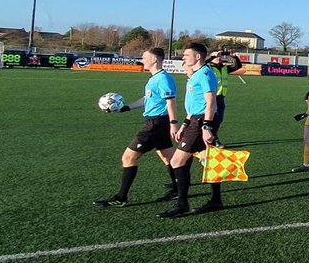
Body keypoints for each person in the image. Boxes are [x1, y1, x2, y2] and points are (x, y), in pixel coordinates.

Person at [93, 47, 181, 208]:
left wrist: (174, 123)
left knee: (128, 157)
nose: (142, 60)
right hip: (157, 122)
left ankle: (121, 197)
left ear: (154, 59)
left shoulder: (162, 79)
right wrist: (125, 108)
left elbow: (171, 102)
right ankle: (178, 190)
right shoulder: (155, 78)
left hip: (155, 124)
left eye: (145, 57)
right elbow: (146, 99)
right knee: (169, 158)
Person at [157, 43, 223, 218]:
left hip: (201, 122)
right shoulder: (196, 75)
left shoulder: (205, 74)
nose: (184, 57)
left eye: (187, 55)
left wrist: (206, 127)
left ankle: (182, 205)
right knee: (207, 160)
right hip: (195, 120)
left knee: (177, 161)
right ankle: (216, 200)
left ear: (198, 56)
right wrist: (184, 125)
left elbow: (211, 103)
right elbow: (194, 106)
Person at [206, 49, 242, 143]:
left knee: (219, 119)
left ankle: (212, 136)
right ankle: (214, 138)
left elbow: (238, 66)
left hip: (221, 97)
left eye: (219, 56)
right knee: (213, 119)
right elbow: (202, 64)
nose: (218, 58)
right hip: (212, 97)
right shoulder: (208, 68)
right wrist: (212, 57)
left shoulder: (224, 68)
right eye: (216, 56)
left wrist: (235, 57)